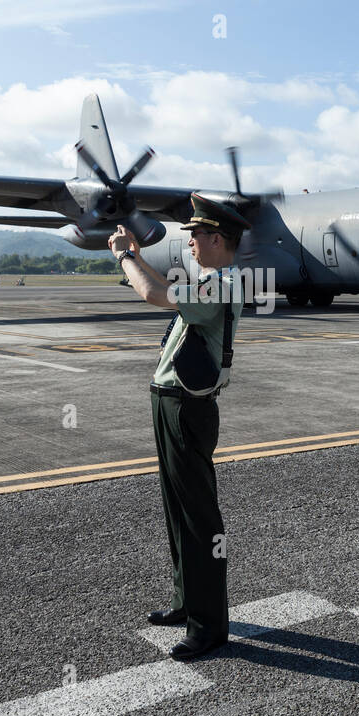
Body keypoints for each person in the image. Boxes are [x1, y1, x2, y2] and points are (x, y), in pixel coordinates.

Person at [108, 193, 249, 662]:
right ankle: (187, 601)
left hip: (187, 407)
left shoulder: (223, 285)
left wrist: (128, 256)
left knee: (197, 517)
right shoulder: (212, 280)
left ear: (216, 238)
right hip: (171, 401)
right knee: (177, 509)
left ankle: (209, 626)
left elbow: (153, 294)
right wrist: (139, 258)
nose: (189, 242)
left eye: (195, 235)